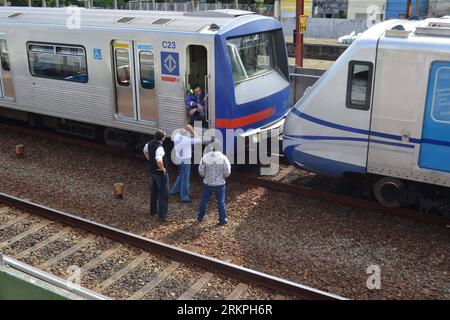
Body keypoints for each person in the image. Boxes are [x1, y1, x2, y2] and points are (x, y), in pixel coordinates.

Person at [197, 138, 231, 226]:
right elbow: (227, 172)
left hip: (207, 183)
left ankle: (200, 217)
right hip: (220, 184)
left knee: (204, 200)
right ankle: (222, 220)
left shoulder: (205, 157)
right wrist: (222, 176)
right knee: (221, 202)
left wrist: (205, 176)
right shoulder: (223, 158)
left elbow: (201, 171)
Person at [170, 124, 202, 203]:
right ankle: (184, 197)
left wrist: (187, 129)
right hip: (185, 160)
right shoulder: (186, 140)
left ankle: (174, 191)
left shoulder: (177, 135)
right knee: (185, 178)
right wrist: (192, 131)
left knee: (181, 174)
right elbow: (199, 139)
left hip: (178, 158)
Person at [143, 130, 169, 221]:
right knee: (163, 194)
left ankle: (153, 211)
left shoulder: (149, 143)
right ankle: (162, 216)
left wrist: (150, 160)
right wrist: (162, 168)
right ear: (162, 138)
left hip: (152, 171)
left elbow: (145, 151)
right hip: (160, 173)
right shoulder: (160, 147)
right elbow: (158, 159)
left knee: (154, 192)